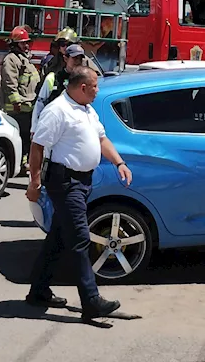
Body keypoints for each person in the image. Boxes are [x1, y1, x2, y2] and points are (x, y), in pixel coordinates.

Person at [26, 68, 131, 320]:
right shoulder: (57, 110)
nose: (98, 90)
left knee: (60, 238)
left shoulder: (86, 109)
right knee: (80, 239)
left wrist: (119, 163)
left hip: (82, 182)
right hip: (65, 183)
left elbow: (102, 139)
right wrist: (34, 182)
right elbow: (38, 146)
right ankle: (91, 301)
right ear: (82, 87)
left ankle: (38, 290)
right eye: (94, 86)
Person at [2, 25, 41, 163]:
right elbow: (9, 83)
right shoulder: (11, 60)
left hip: (28, 106)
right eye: (23, 42)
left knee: (27, 138)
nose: (27, 45)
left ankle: (24, 162)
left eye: (27, 42)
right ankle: (20, 163)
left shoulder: (24, 59)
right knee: (22, 137)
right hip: (19, 108)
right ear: (15, 44)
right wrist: (16, 102)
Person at [31, 44, 88, 134]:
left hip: (74, 129)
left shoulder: (85, 81)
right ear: (66, 59)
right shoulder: (53, 78)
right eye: (74, 58)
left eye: (80, 59)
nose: (77, 61)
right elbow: (39, 104)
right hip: (53, 127)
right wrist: (34, 129)